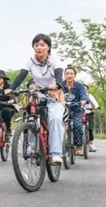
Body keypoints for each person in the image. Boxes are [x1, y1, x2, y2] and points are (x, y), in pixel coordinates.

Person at [10, 33, 65, 165]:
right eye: (36, 45)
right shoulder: (30, 61)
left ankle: (56, 153)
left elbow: (59, 74)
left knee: (55, 118)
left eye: (42, 45)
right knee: (31, 118)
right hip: (38, 93)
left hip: (54, 94)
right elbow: (21, 76)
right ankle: (32, 146)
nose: (39, 48)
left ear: (48, 47)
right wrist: (11, 88)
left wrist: (57, 85)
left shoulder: (55, 60)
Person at [62, 66, 88, 156]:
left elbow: (83, 95)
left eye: (71, 74)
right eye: (67, 73)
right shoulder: (60, 85)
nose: (69, 75)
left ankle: (78, 146)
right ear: (65, 75)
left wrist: (83, 100)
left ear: (74, 75)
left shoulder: (79, 86)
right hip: (63, 110)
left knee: (77, 125)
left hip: (76, 109)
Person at [83, 84, 99, 152]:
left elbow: (95, 102)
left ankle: (91, 144)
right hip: (79, 113)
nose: (84, 90)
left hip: (88, 112)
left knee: (90, 129)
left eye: (85, 89)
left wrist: (96, 106)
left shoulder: (89, 96)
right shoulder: (78, 95)